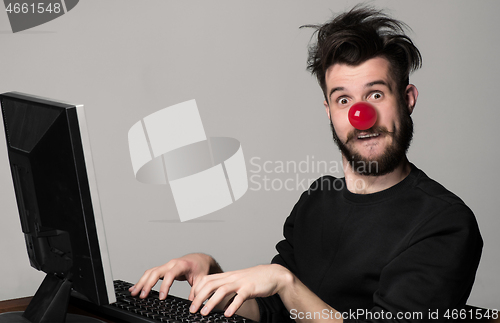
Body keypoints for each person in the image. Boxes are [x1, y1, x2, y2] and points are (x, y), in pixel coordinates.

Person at [129, 5, 483, 322]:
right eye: (344, 100)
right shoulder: (317, 200)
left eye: (376, 94)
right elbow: (275, 312)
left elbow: (286, 292)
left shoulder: (445, 224)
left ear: (406, 99)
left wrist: (285, 283)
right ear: (329, 112)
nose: (362, 116)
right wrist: (211, 280)